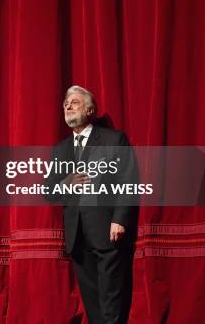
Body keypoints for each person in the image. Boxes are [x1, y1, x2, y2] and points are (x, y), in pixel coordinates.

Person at [47, 86, 138, 324]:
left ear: (89, 109)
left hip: (107, 229)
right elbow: (48, 191)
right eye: (66, 103)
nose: (67, 106)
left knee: (112, 298)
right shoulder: (61, 149)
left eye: (74, 102)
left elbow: (128, 181)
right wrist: (66, 182)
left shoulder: (112, 139)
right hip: (77, 235)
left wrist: (119, 219)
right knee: (92, 302)